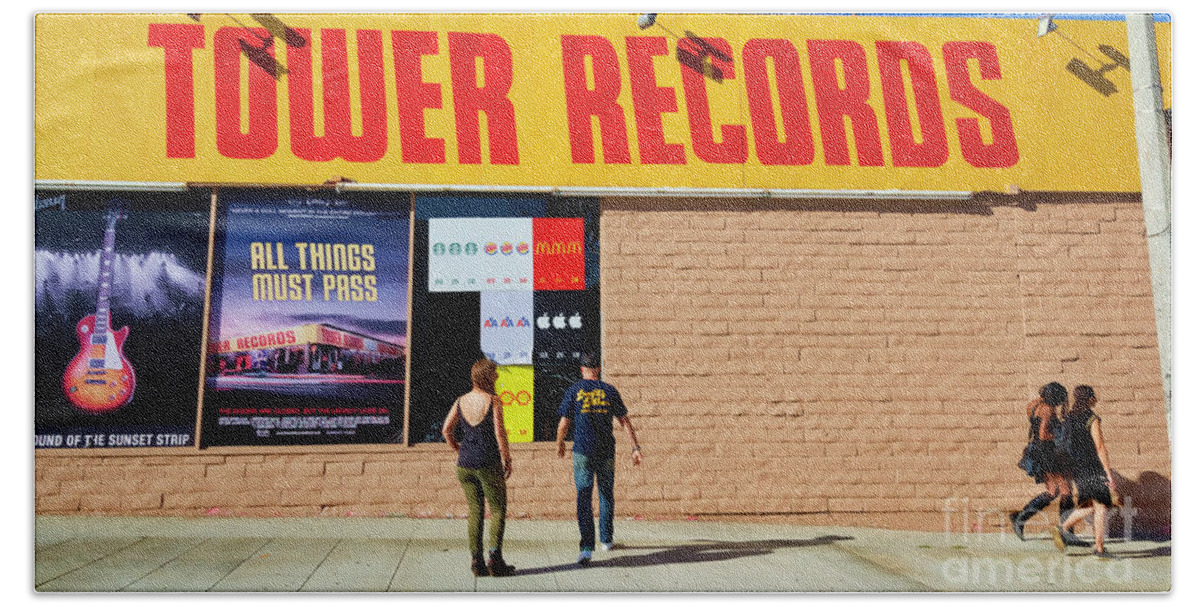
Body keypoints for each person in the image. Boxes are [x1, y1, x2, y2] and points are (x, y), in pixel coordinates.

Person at [556, 352, 642, 565]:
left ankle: (586, 548)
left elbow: (564, 423)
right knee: (606, 494)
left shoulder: (574, 390)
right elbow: (625, 422)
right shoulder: (610, 391)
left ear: (581, 370)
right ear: (599, 369)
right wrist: (635, 447)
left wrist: (560, 444)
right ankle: (606, 539)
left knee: (583, 497)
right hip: (605, 451)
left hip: (583, 451)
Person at [442, 358, 516, 577]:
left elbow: (447, 430)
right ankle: (495, 560)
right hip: (488, 461)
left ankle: (477, 562)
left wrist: (459, 450)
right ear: (486, 377)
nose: (497, 377)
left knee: (475, 510)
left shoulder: (460, 401)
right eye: (494, 374)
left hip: (464, 464)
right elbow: (499, 433)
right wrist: (507, 458)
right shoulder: (493, 401)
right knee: (498, 509)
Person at [1053, 385, 1119, 558]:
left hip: (1077, 467)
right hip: (1092, 466)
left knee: (1091, 505)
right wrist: (1108, 472)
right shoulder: (1091, 418)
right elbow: (1100, 446)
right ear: (1090, 398)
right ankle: (1098, 548)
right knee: (1101, 505)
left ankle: (1063, 528)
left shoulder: (1069, 417)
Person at [1009, 382, 1074, 541]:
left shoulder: (1033, 404)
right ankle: (1068, 533)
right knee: (1065, 491)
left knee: (1053, 491)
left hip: (1037, 452)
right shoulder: (1048, 410)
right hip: (1046, 452)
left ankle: (1020, 517)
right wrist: (1059, 436)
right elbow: (1043, 434)